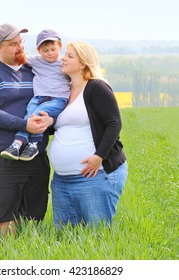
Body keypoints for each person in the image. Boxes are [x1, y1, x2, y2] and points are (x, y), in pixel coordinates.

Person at [0, 23, 53, 237]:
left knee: (32, 223)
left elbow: (55, 96)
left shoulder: (34, 70)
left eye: (21, 43)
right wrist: (23, 124)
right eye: (12, 44)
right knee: (1, 226)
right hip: (1, 155)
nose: (19, 47)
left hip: (36, 154)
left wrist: (49, 121)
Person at [49, 41, 128, 228]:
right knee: (65, 238)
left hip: (94, 176)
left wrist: (99, 156)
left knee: (96, 236)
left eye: (69, 56)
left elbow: (114, 123)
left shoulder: (96, 87)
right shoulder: (64, 91)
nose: (63, 58)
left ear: (83, 63)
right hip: (61, 180)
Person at [0, 29, 70, 161]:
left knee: (36, 115)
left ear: (60, 47)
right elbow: (18, 58)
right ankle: (19, 144)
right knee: (29, 116)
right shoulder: (36, 61)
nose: (49, 53)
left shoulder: (64, 64)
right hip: (38, 98)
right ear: (39, 51)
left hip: (58, 99)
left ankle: (30, 144)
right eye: (45, 50)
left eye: (53, 49)